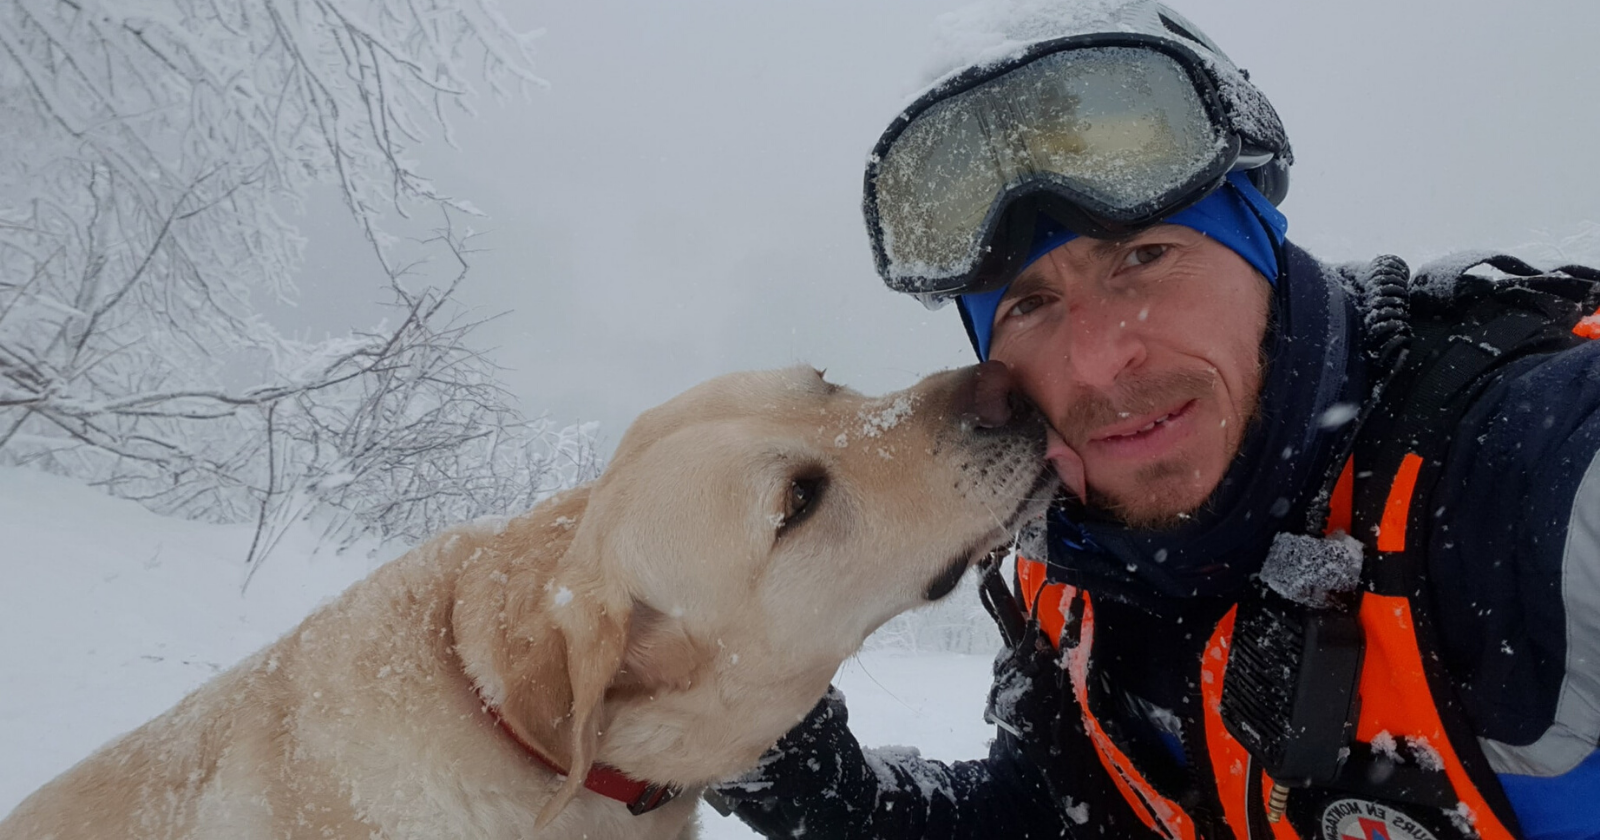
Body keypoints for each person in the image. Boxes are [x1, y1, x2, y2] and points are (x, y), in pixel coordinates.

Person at [709, 2, 1600, 839]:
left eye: (1146, 256)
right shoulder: (1072, 591)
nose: (1098, 361)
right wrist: (806, 775)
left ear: (1261, 244)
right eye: (1028, 306)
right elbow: (1050, 814)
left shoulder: (1519, 478)